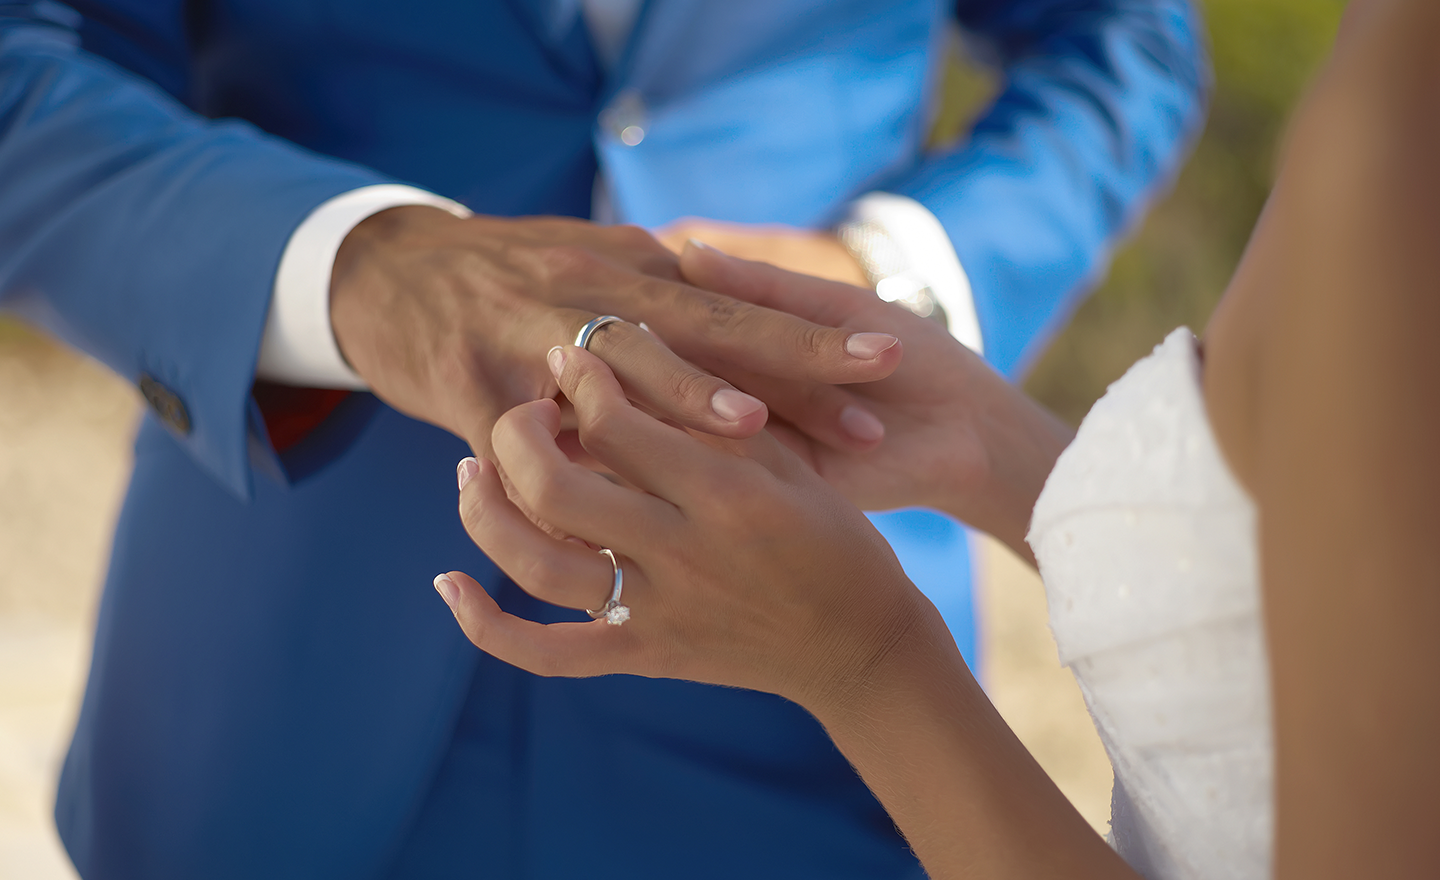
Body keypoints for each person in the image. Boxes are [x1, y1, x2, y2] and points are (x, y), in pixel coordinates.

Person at [0, 1, 1204, 877]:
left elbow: (1128, 37)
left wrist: (897, 274)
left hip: (814, 675)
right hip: (278, 680)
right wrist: (352, 263)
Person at [438, 0, 1440, 877]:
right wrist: (995, 451)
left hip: (822, 773)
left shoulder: (1397, 137)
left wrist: (866, 660)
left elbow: (1116, 37)